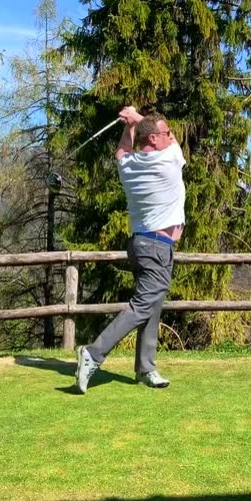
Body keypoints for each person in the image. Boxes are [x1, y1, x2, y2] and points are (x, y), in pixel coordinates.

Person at [75, 106, 186, 394]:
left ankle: (145, 368)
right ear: (153, 140)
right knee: (141, 307)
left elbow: (122, 152)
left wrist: (129, 126)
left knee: (151, 306)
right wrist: (136, 118)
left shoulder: (130, 166)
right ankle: (93, 353)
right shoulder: (168, 161)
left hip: (140, 246)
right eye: (166, 133)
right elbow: (173, 145)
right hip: (157, 248)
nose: (171, 136)